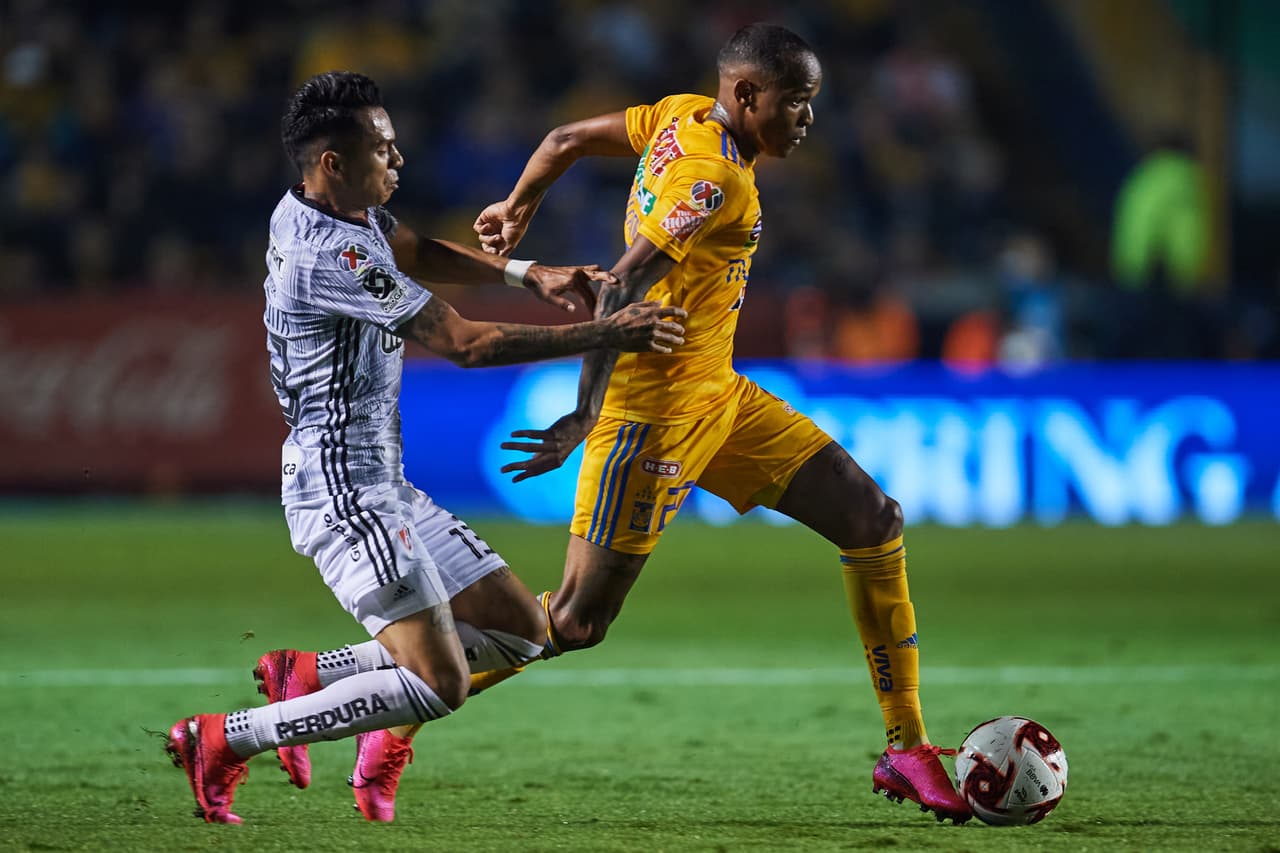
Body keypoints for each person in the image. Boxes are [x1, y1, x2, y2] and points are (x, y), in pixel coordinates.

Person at [263, 24, 971, 825]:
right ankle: (364, 700)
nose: (809, 117)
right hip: (652, 413)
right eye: (797, 101)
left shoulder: (681, 116)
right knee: (571, 621)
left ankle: (906, 747)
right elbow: (623, 284)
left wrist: (522, 202)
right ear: (746, 95)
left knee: (872, 518)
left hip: (721, 395)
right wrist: (584, 411)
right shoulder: (708, 178)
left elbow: (566, 137)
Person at [164, 70, 686, 825]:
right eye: (382, 149)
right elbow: (466, 345)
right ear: (332, 164)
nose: (398, 160)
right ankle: (223, 737)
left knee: (522, 631)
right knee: (439, 681)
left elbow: (407, 246)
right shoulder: (329, 254)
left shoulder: (331, 210)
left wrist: (524, 272)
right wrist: (611, 330)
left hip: (383, 479)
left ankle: (306, 673)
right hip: (343, 490)